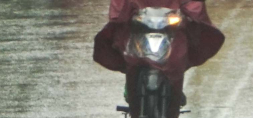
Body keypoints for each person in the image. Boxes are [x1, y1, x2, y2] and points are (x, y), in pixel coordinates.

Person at [93, 0, 226, 112]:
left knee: (180, 49)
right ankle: (131, 83)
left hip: (172, 22)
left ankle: (174, 87)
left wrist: (190, 10)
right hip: (138, 20)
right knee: (126, 45)